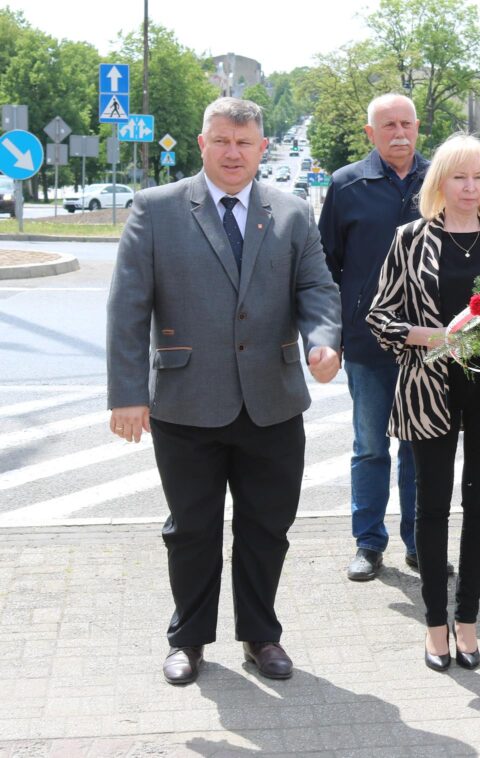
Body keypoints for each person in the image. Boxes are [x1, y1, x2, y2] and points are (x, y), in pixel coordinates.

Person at [106, 97, 342, 685]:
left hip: (273, 400)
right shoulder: (156, 208)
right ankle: (187, 640)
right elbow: (128, 307)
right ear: (202, 143)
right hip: (186, 402)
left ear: (262, 148)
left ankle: (261, 636)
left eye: (244, 142)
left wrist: (323, 340)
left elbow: (317, 288)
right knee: (191, 528)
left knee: (267, 527)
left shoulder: (291, 212)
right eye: (222, 141)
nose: (232, 153)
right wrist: (127, 393)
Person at [367, 134, 480, 672]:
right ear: (440, 181)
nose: (470, 187)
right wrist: (433, 336)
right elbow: (380, 318)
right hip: (428, 389)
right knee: (431, 508)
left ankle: (469, 621)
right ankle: (435, 624)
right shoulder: (410, 239)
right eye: (459, 176)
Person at [318, 93, 430, 582]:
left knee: (419, 447)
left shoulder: (440, 179)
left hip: (427, 342)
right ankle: (368, 543)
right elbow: (325, 267)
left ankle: (420, 543)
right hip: (367, 343)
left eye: (406, 124)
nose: (399, 133)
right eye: (388, 126)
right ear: (370, 133)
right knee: (370, 447)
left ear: (418, 127)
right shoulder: (347, 184)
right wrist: (334, 333)